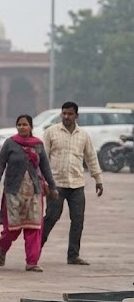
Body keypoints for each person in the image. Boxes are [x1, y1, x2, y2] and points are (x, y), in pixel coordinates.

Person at [40, 101, 104, 265]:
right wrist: (43, 181)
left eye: (70, 114)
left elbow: (91, 157)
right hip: (56, 183)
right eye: (64, 114)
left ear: (76, 115)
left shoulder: (83, 135)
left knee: (78, 219)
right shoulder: (51, 132)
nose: (66, 117)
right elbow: (43, 158)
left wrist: (98, 179)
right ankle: (35, 250)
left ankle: (73, 255)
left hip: (76, 184)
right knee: (51, 217)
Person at [0, 114, 57, 272]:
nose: (22, 127)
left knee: (34, 228)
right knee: (11, 229)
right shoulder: (10, 143)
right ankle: (3, 248)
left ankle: (32, 262)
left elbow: (45, 168)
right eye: (19, 124)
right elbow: (0, 165)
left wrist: (53, 187)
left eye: (25, 125)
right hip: (13, 192)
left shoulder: (38, 145)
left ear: (31, 127)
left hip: (34, 191)